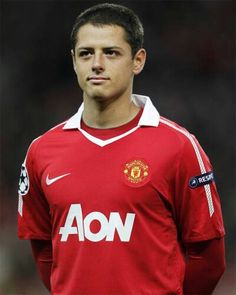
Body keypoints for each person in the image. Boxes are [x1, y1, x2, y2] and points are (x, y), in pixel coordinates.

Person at [17, 3, 226, 295]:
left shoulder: (179, 146)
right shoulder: (41, 151)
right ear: (74, 62)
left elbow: (209, 258)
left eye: (111, 53)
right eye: (86, 53)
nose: (97, 63)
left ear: (137, 61)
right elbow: (43, 250)